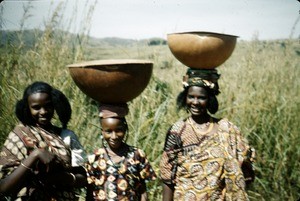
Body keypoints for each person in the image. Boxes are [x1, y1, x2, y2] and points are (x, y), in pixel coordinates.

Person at [160, 69, 255, 201]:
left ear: (210, 99)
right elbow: (167, 176)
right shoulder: (178, 130)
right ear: (185, 97)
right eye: (191, 96)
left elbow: (246, 170)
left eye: (201, 98)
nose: (195, 102)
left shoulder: (226, 129)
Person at [0, 81, 87, 200]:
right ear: (27, 108)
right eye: (36, 107)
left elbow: (84, 178)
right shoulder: (19, 135)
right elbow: (4, 188)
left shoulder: (66, 136)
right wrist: (35, 155)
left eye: (48, 106)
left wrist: (61, 178)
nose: (43, 112)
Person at [85, 103, 156, 201]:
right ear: (102, 132)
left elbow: (143, 192)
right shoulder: (95, 158)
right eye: (108, 131)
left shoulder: (137, 155)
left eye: (119, 130)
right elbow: (90, 194)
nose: (114, 136)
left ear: (125, 129)